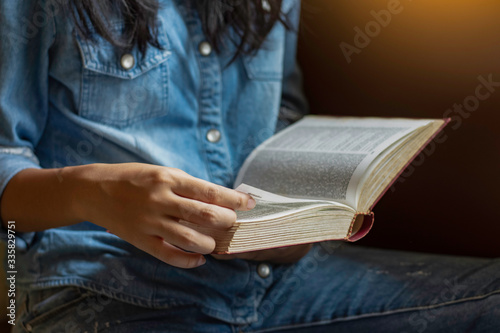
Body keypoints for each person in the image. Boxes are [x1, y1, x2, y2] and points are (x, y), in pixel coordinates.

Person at [0, 0, 499, 332]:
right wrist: (93, 193)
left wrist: (294, 223)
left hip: (277, 279)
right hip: (99, 289)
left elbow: (283, 110)